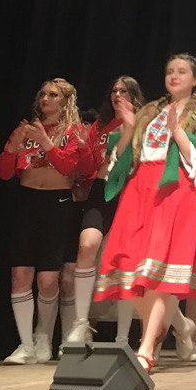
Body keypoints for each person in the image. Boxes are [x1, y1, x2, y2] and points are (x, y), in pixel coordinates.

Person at [94, 54, 196, 372]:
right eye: (170, 71)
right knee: (126, 261)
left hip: (177, 187)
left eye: (182, 72)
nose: (174, 76)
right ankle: (178, 324)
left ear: (195, 79)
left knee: (159, 270)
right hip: (141, 186)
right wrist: (129, 126)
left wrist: (177, 131)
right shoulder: (150, 110)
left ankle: (147, 347)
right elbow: (122, 154)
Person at [0, 79, 88, 364]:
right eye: (43, 94)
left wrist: (46, 142)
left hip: (57, 205)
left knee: (48, 280)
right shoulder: (25, 130)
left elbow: (67, 166)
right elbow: (4, 172)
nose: (45, 98)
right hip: (25, 202)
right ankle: (25, 345)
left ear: (65, 101)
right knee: (20, 275)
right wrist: (12, 148)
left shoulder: (73, 132)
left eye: (53, 95)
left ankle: (43, 335)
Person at [65, 76, 145, 346]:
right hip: (100, 192)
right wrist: (84, 147)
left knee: (126, 263)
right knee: (87, 245)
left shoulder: (143, 122)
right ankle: (81, 323)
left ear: (134, 94)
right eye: (114, 90)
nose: (117, 95)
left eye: (124, 90)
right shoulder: (101, 125)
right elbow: (88, 168)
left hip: (129, 192)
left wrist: (129, 129)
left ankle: (123, 336)